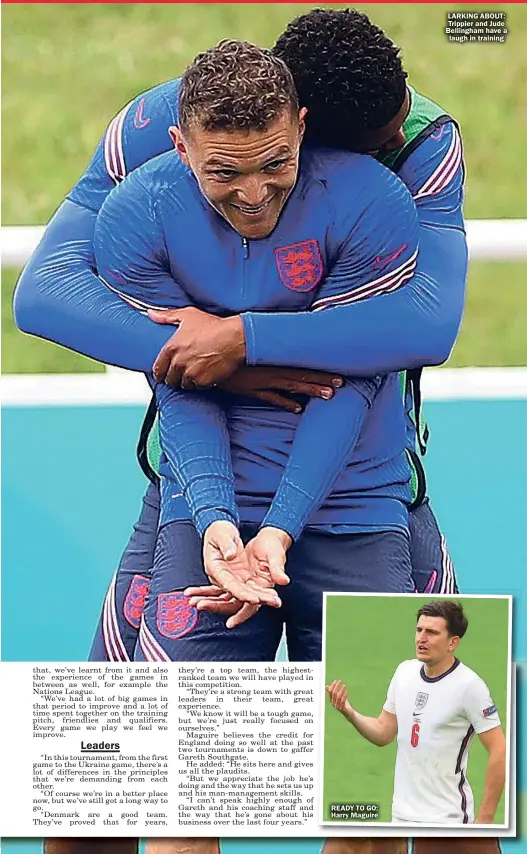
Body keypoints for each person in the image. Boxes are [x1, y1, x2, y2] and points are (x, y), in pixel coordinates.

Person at [11, 9, 469, 854]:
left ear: (297, 132)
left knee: (429, 798)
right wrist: (201, 359)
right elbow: (43, 294)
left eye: (286, 168)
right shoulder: (155, 131)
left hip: (364, 490)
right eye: (228, 170)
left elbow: (426, 326)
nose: (260, 195)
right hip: (196, 483)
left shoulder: (418, 143)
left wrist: (243, 339)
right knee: (93, 796)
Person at [326, 600, 506, 827]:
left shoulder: (470, 687)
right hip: (400, 818)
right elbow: (384, 732)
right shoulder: (404, 672)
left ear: (453, 642)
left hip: (447, 821)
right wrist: (350, 713)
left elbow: (500, 750)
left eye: (432, 633)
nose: (422, 638)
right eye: (419, 630)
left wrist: (486, 817)